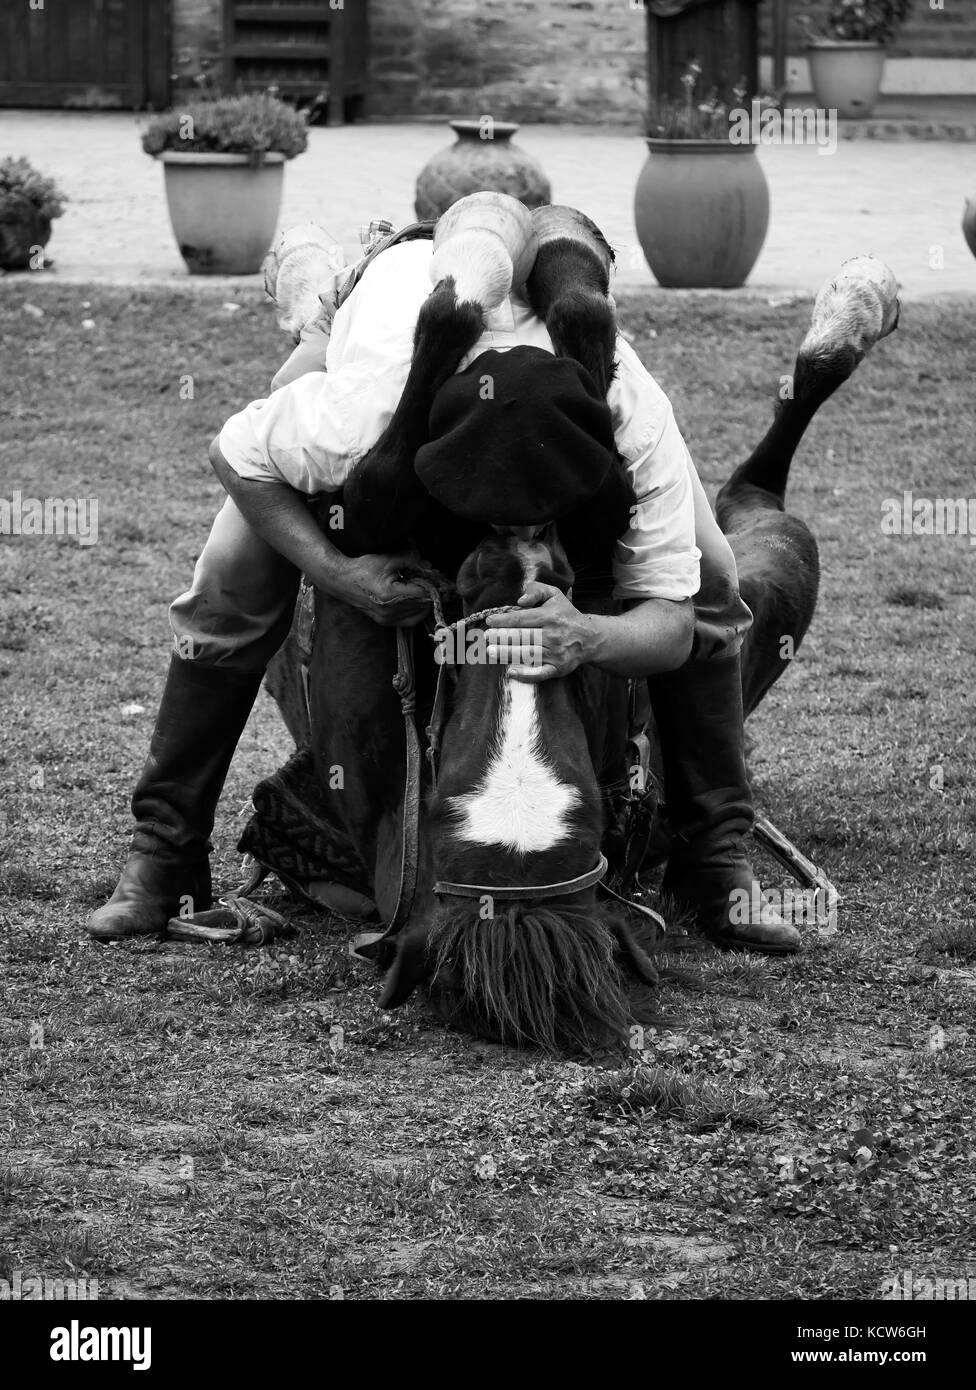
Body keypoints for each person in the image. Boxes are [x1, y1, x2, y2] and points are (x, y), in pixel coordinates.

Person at [87, 214, 799, 954]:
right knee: (231, 578)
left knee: (713, 580)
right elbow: (233, 453)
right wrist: (340, 574)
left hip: (533, 337)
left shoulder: (631, 416)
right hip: (397, 310)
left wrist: (593, 633)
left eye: (538, 527)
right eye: (496, 527)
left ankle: (713, 860)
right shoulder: (360, 411)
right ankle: (165, 851)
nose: (516, 544)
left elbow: (673, 623)